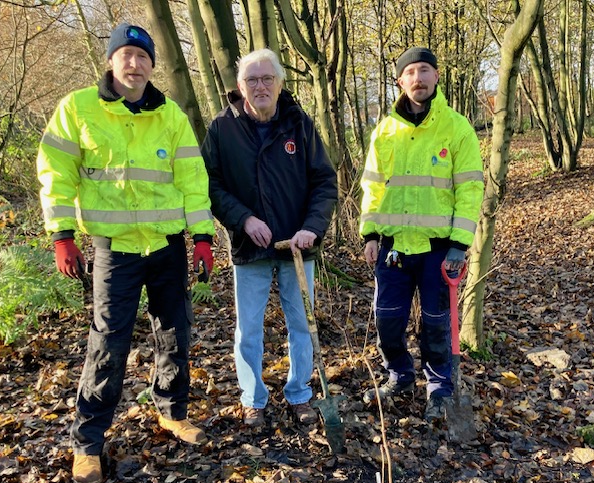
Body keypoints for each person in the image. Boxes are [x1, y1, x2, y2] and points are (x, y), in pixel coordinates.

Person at [37, 23, 215, 483]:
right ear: (112, 61)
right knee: (108, 342)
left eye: (143, 57)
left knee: (175, 333)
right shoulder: (78, 109)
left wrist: (201, 237)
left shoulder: (171, 114)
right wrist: (61, 235)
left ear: (153, 65)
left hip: (167, 246)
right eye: (126, 55)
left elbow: (192, 179)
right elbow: (56, 172)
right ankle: (88, 442)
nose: (134, 64)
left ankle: (173, 413)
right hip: (113, 251)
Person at [201, 49, 337, 427]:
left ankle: (299, 393)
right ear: (240, 86)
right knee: (249, 328)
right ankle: (253, 398)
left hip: (298, 247)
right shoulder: (221, 129)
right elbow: (208, 184)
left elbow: (324, 181)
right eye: (252, 80)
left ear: (280, 83)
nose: (260, 86)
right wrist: (242, 219)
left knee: (302, 324)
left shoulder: (300, 125)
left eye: (267, 79)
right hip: (250, 248)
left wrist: (312, 227)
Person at [359, 47, 484, 421]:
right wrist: (369, 234)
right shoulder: (384, 132)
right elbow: (372, 188)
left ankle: (439, 387)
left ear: (436, 76)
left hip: (438, 251)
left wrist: (460, 245)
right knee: (387, 319)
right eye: (410, 72)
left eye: (425, 70)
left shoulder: (456, 128)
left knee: (435, 322)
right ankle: (399, 374)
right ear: (400, 80)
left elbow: (470, 190)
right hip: (393, 249)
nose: (418, 78)